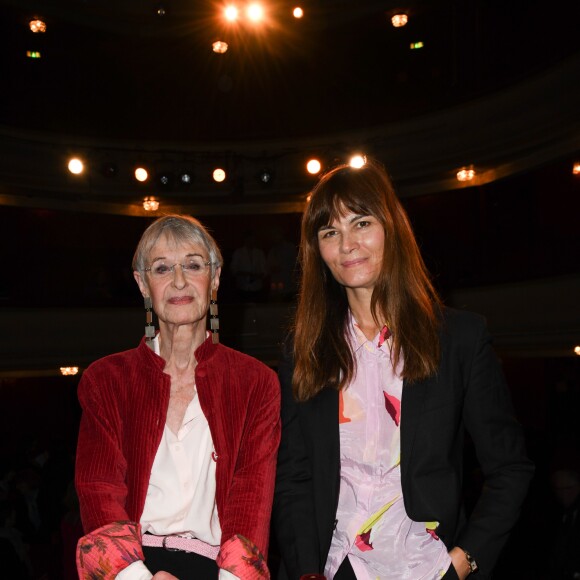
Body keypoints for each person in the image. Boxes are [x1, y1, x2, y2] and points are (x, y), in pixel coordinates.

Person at [273, 159, 534, 580]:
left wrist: (462, 562)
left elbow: (510, 469)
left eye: (361, 223)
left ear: (391, 227)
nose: (346, 245)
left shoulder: (459, 339)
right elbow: (293, 477)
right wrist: (306, 571)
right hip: (331, 566)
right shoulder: (303, 351)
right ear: (317, 251)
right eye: (329, 232)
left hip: (424, 567)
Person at [75, 214, 281, 579]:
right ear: (142, 284)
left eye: (193, 265)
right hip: (130, 569)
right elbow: (98, 489)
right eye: (162, 268)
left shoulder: (256, 383)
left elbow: (251, 501)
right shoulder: (105, 380)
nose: (180, 281)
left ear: (215, 278)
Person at [230, 229, 268, 302]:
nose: (251, 241)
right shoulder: (238, 252)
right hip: (242, 286)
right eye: (249, 239)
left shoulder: (259, 253)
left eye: (253, 239)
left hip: (257, 287)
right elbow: (233, 269)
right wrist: (244, 273)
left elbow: (264, 269)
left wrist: (260, 275)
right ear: (245, 240)